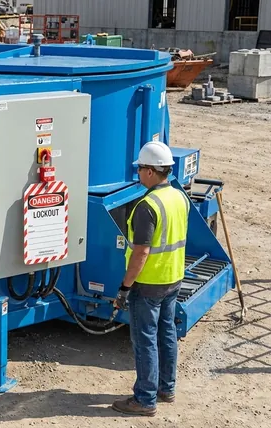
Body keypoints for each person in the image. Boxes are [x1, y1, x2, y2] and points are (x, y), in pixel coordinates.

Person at [111, 141, 190, 417]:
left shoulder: (147, 206)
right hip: (173, 277)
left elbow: (141, 252)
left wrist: (124, 287)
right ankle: (166, 388)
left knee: (145, 339)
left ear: (150, 171)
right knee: (166, 332)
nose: (138, 173)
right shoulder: (179, 197)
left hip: (149, 283)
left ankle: (144, 400)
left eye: (140, 169)